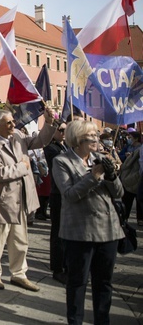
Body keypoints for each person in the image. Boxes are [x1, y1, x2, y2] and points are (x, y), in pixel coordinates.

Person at [54, 120, 124, 325]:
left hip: (108, 230)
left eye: (96, 135)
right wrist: (94, 176)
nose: (96, 140)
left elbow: (118, 193)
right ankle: (75, 321)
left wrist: (111, 176)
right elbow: (69, 195)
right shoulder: (62, 161)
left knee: (104, 283)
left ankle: (103, 320)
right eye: (91, 136)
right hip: (79, 232)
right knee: (77, 282)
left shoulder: (101, 158)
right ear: (77, 140)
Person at [0, 108, 56, 292]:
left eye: (13, 121)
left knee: (20, 239)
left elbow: (40, 141)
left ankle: (19, 273)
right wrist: (22, 167)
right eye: (8, 122)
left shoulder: (17, 135)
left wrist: (48, 123)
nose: (13, 125)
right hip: (4, 199)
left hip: (22, 196)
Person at [44, 121, 68, 284]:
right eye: (61, 130)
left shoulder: (65, 147)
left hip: (66, 194)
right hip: (58, 193)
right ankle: (57, 267)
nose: (64, 133)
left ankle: (66, 263)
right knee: (58, 231)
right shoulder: (52, 148)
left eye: (67, 130)